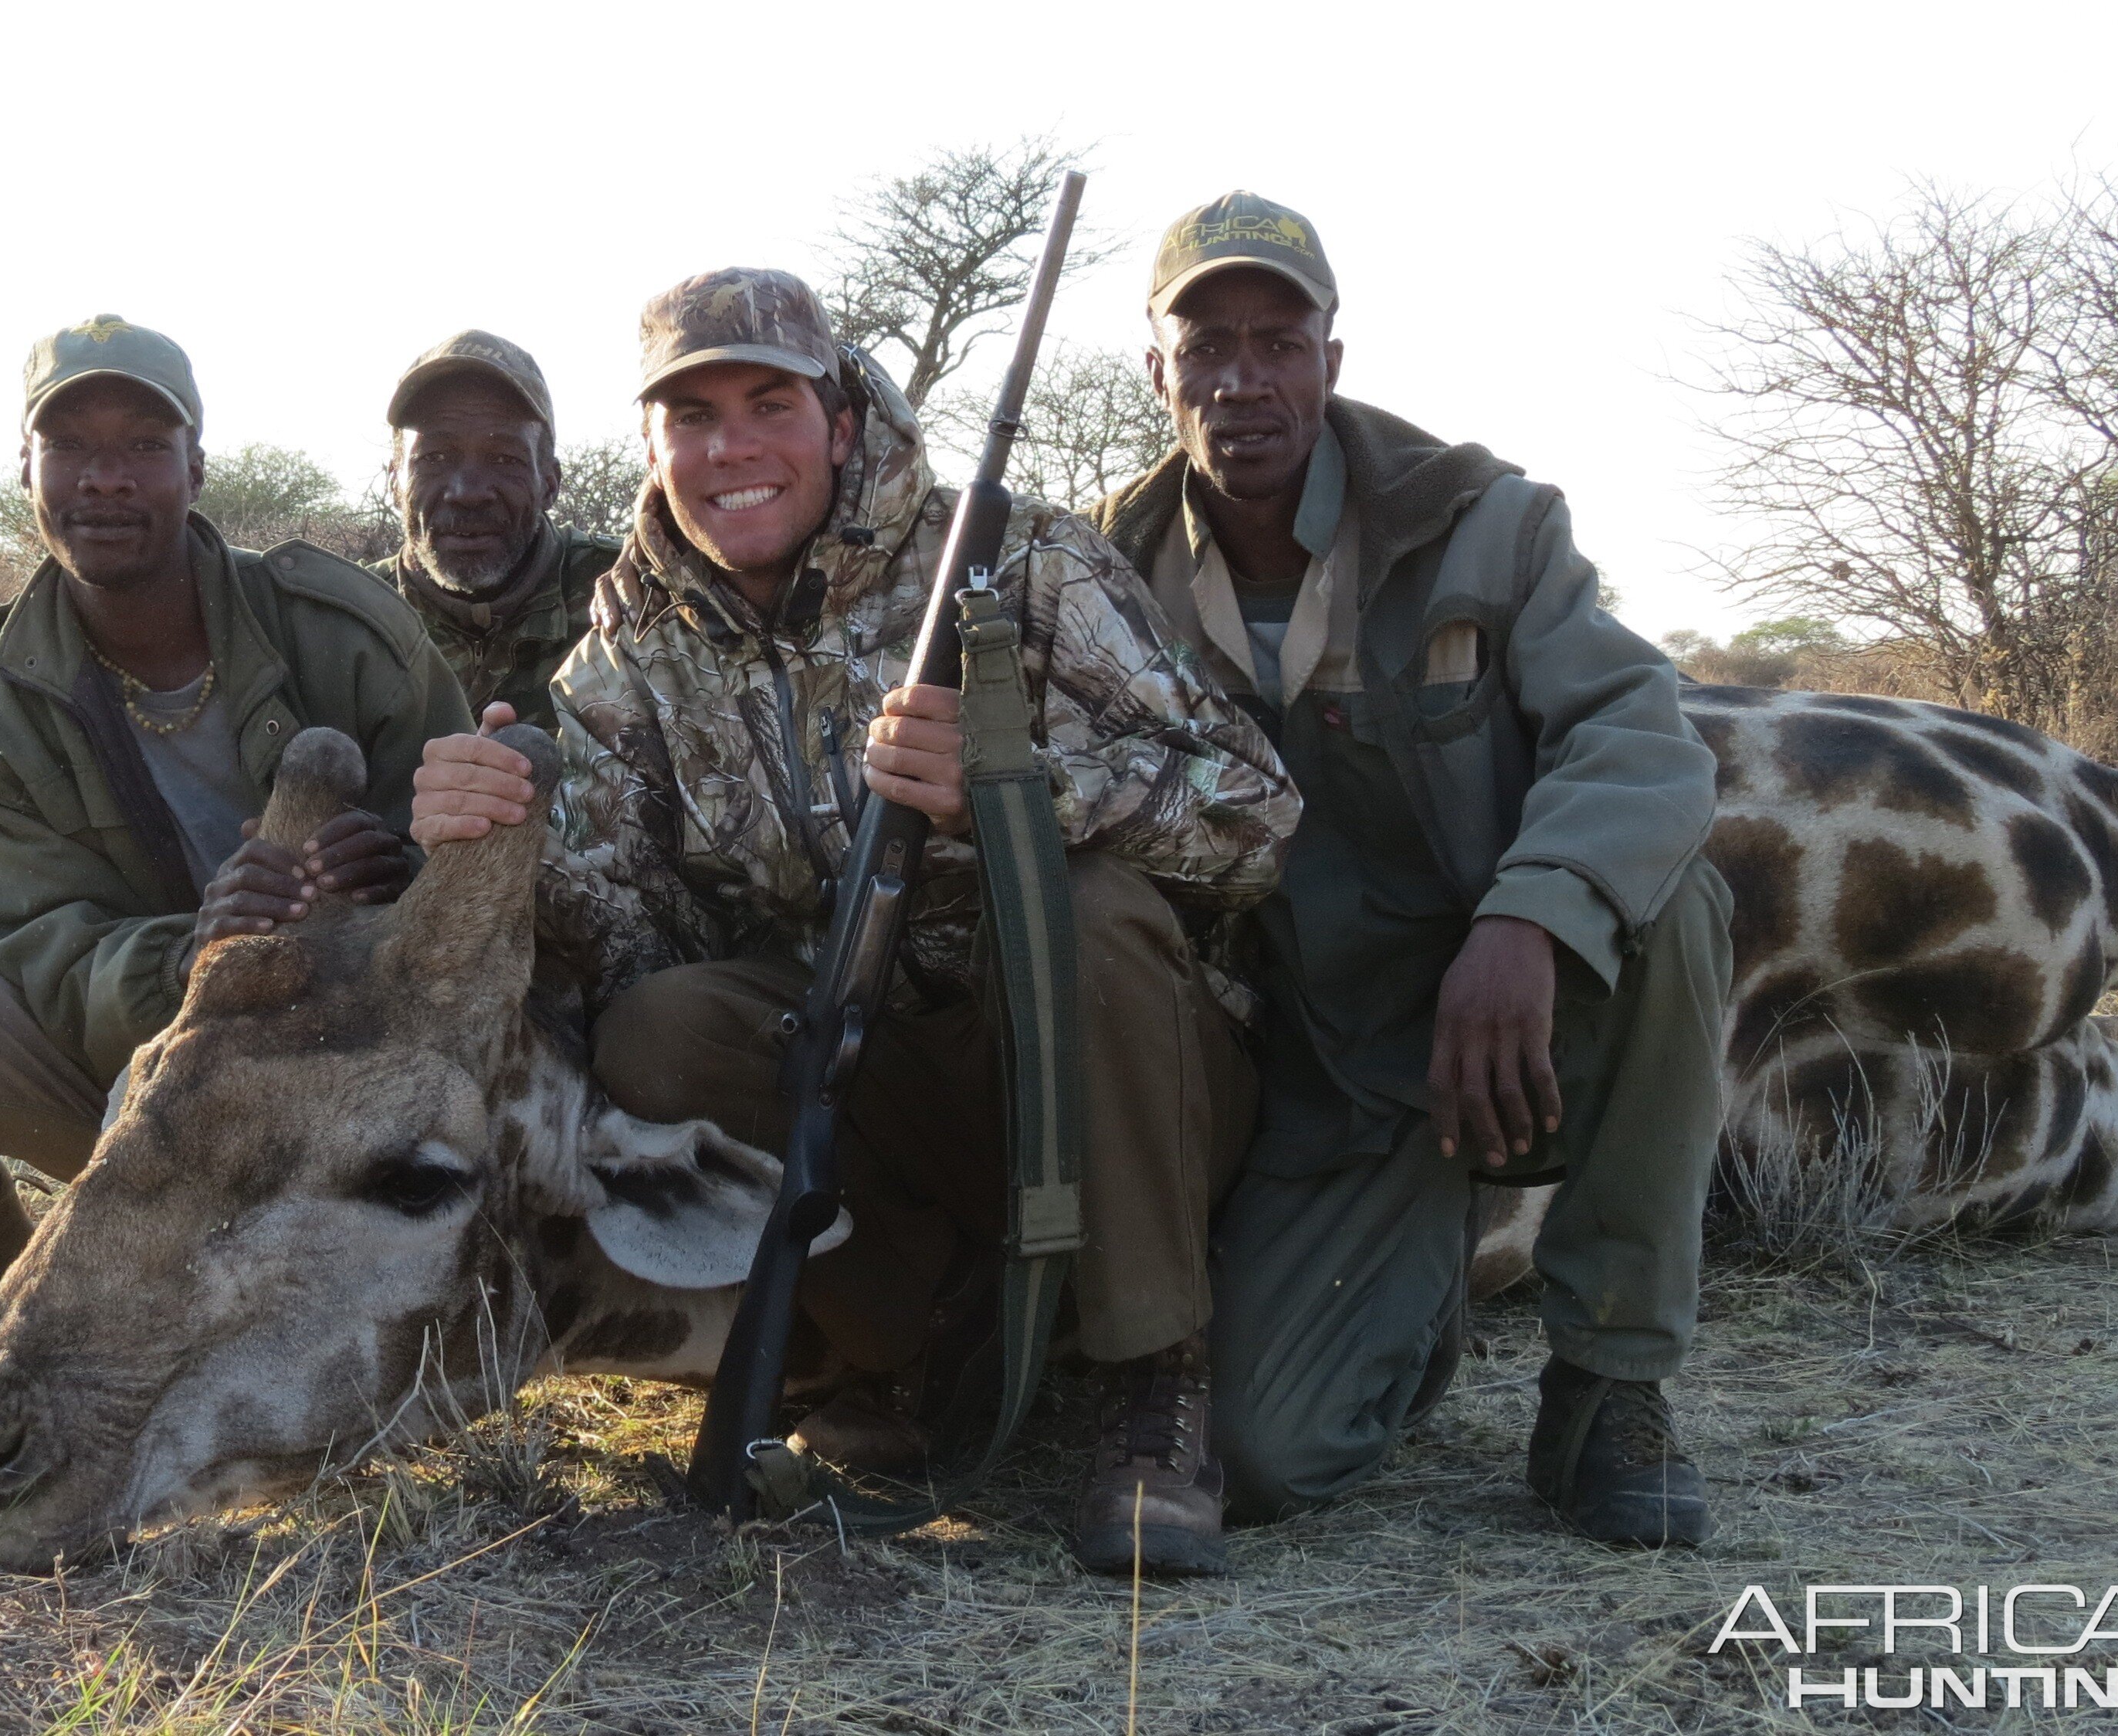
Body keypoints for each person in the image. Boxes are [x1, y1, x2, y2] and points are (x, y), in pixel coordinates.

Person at [413, 268, 1298, 1576]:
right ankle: (912, 1346)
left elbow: (1257, 813)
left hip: (1109, 1070)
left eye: (768, 402)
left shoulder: (1026, 561)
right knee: (663, 1031)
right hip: (872, 1078)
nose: (734, 449)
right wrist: (511, 845)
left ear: (837, 417)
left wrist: (1021, 796)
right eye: (694, 415)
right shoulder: (624, 647)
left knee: (1094, 912)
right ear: (654, 441)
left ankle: (1152, 1378)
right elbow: (635, 940)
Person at [1087, 194, 1733, 1547]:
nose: (1242, 379)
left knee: (1673, 903)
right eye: (1206, 345)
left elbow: (1642, 732)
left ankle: (1611, 1383)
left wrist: (1530, 923)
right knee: (1264, 1455)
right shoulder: (1101, 568)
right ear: (1158, 370)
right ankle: (1407, 1278)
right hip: (1321, 1064)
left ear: (1332, 355)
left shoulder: (1486, 524)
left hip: (1515, 1005)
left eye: (1279, 340)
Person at [0, 315, 472, 1444]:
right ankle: (4, 1323)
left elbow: (479, 851)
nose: (104, 479)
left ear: (196, 467)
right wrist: (193, 954)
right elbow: (36, 949)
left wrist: (398, 885)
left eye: (142, 446)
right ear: (28, 472)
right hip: (147, 1080)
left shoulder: (343, 631)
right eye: (70, 448)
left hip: (358, 1083)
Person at [368, 331, 620, 731]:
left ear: (550, 484)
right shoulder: (350, 618)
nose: (467, 494)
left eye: (504, 458)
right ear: (395, 481)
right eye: (434, 457)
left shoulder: (634, 594)